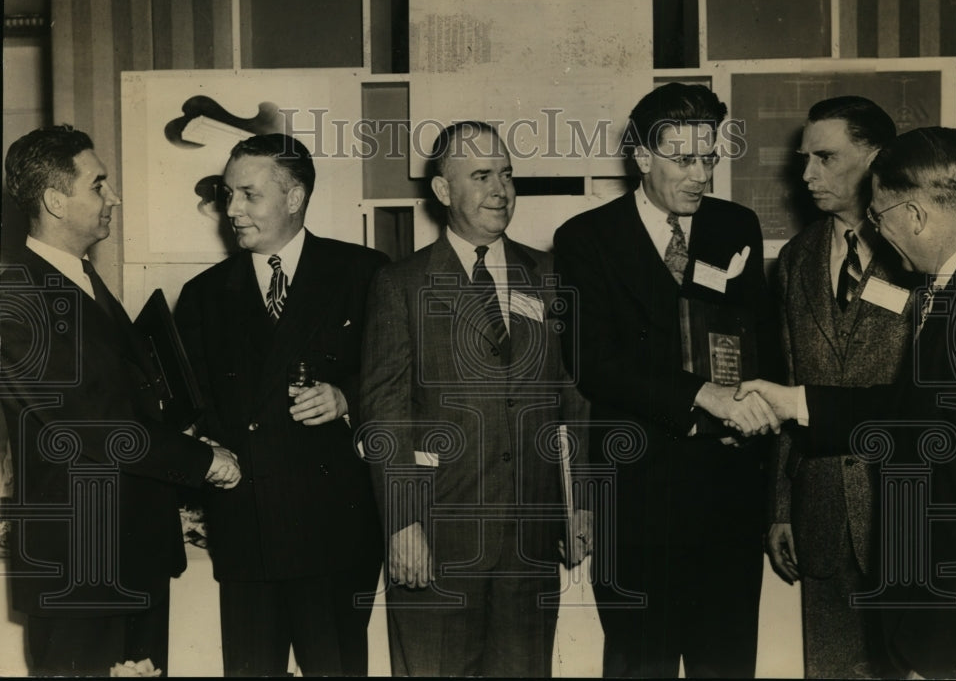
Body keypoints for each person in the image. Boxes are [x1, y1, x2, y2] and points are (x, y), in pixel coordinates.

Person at [739, 126, 956, 679]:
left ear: (915, 215)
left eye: (879, 218)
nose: (877, 233)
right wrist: (798, 402)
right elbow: (917, 412)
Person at [553, 82, 781, 678]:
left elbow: (759, 342)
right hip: (637, 497)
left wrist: (754, 410)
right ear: (642, 157)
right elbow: (593, 362)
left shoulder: (736, 225)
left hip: (728, 495)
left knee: (727, 664)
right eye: (683, 160)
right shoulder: (585, 238)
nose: (701, 175)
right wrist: (704, 396)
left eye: (709, 158)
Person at [0, 125, 241, 676]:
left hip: (128, 557)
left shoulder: (82, 279)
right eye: (99, 184)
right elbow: (92, 424)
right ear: (55, 201)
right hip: (79, 570)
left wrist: (181, 429)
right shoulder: (18, 296)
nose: (114, 197)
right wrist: (202, 460)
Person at [359, 121, 590, 677]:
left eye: (506, 174)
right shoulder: (401, 283)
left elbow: (575, 397)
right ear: (443, 191)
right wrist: (402, 523)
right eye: (481, 176)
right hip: (437, 539)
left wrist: (581, 500)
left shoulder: (549, 276)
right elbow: (385, 413)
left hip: (530, 543)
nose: (500, 189)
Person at [173, 133, 387, 676]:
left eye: (249, 194)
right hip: (247, 530)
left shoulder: (364, 273)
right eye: (228, 194)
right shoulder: (202, 294)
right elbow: (188, 408)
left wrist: (348, 397)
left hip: (335, 533)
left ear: (294, 198)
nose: (232, 210)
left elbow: (401, 382)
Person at [768, 96, 917, 677]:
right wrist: (781, 507)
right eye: (805, 159)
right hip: (821, 508)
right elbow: (790, 386)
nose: (808, 174)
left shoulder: (917, 253)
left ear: (875, 158)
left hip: (902, 509)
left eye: (825, 157)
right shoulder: (796, 258)